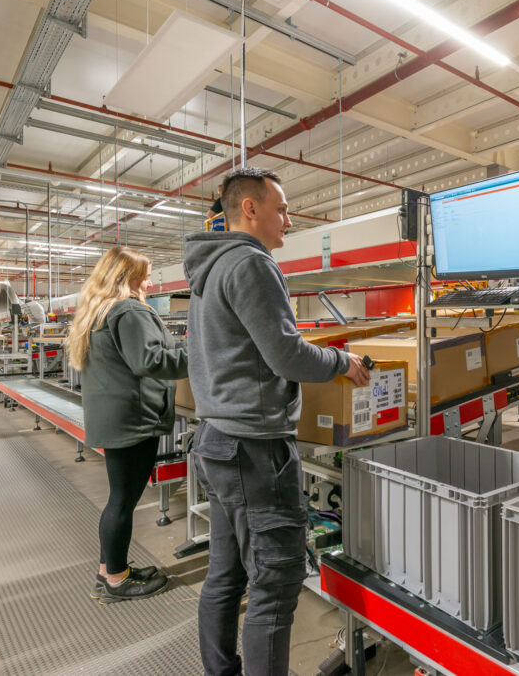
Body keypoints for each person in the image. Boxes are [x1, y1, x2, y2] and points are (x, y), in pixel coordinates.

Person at [184, 167, 370, 676]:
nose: (288, 219)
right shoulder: (251, 263)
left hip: (218, 440)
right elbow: (286, 354)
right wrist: (341, 362)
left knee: (226, 576)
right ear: (250, 208)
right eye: (282, 209)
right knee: (276, 582)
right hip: (254, 450)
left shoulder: (210, 268)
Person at [67, 246, 188, 604]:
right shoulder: (129, 310)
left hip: (115, 416)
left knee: (119, 498)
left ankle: (108, 571)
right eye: (145, 277)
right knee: (122, 501)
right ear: (128, 278)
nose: (150, 284)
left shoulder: (100, 311)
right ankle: (116, 581)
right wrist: (202, 356)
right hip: (132, 419)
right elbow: (149, 361)